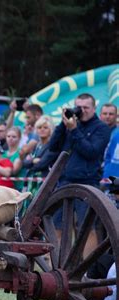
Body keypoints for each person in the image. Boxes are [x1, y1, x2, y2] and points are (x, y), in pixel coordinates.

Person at [49, 93, 110, 252]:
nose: (82, 111)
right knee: (57, 226)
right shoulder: (70, 125)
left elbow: (92, 152)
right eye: (79, 107)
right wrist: (63, 125)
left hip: (87, 183)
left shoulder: (101, 128)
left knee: (86, 229)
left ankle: (88, 270)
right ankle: (56, 266)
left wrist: (74, 130)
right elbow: (53, 147)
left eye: (86, 107)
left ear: (94, 108)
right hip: (64, 182)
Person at [2, 127, 25, 191]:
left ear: (19, 138)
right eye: (8, 136)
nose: (10, 139)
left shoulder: (21, 153)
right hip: (3, 187)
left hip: (17, 188)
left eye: (14, 137)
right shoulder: (2, 154)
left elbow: (13, 171)